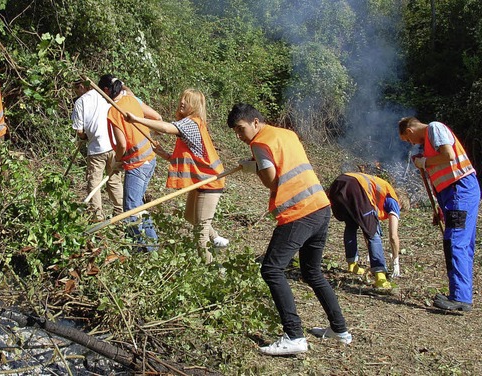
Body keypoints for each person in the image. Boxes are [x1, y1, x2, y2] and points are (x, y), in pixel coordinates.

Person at [227, 103, 351, 355]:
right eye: (236, 132)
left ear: (255, 123)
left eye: (241, 129)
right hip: (319, 206)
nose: (239, 136)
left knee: (271, 269)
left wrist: (257, 168)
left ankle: (294, 336)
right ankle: (340, 330)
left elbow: (272, 179)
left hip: (299, 213)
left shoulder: (260, 143)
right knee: (312, 272)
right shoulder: (286, 133)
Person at [125, 89, 228, 263]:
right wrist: (165, 154)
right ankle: (217, 238)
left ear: (194, 106)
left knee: (200, 234)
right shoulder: (190, 123)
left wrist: (136, 119)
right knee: (190, 216)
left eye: (186, 101)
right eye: (182, 98)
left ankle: (211, 269)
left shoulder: (191, 124)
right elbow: (192, 157)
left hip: (211, 182)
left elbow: (165, 128)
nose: (182, 102)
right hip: (201, 180)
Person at [399, 117, 479, 311]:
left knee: (455, 241)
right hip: (454, 195)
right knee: (461, 242)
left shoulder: (434, 128)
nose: (411, 143)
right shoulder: (427, 143)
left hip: (460, 190)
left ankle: (459, 297)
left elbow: (449, 155)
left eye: (407, 140)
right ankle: (462, 294)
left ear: (409, 131)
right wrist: (441, 208)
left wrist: (424, 162)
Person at [100, 74, 158, 251]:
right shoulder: (131, 99)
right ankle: (152, 245)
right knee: (139, 205)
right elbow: (156, 117)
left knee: (130, 209)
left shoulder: (114, 111)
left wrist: (117, 161)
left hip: (137, 165)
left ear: (106, 91)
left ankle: (139, 249)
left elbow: (122, 144)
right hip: (149, 160)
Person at [328, 173, 404, 289]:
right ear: (401, 203)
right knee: (374, 232)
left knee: (351, 224)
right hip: (354, 187)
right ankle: (380, 278)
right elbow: (393, 236)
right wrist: (396, 261)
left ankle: (352, 265)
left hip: (337, 184)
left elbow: (364, 226)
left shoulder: (379, 189)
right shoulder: (394, 200)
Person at [71, 79, 123, 221]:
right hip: (114, 144)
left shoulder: (80, 102)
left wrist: (84, 137)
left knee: (94, 181)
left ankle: (97, 215)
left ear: (81, 87)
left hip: (97, 148)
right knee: (114, 180)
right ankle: (120, 212)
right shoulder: (105, 95)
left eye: (76, 89)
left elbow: (80, 130)